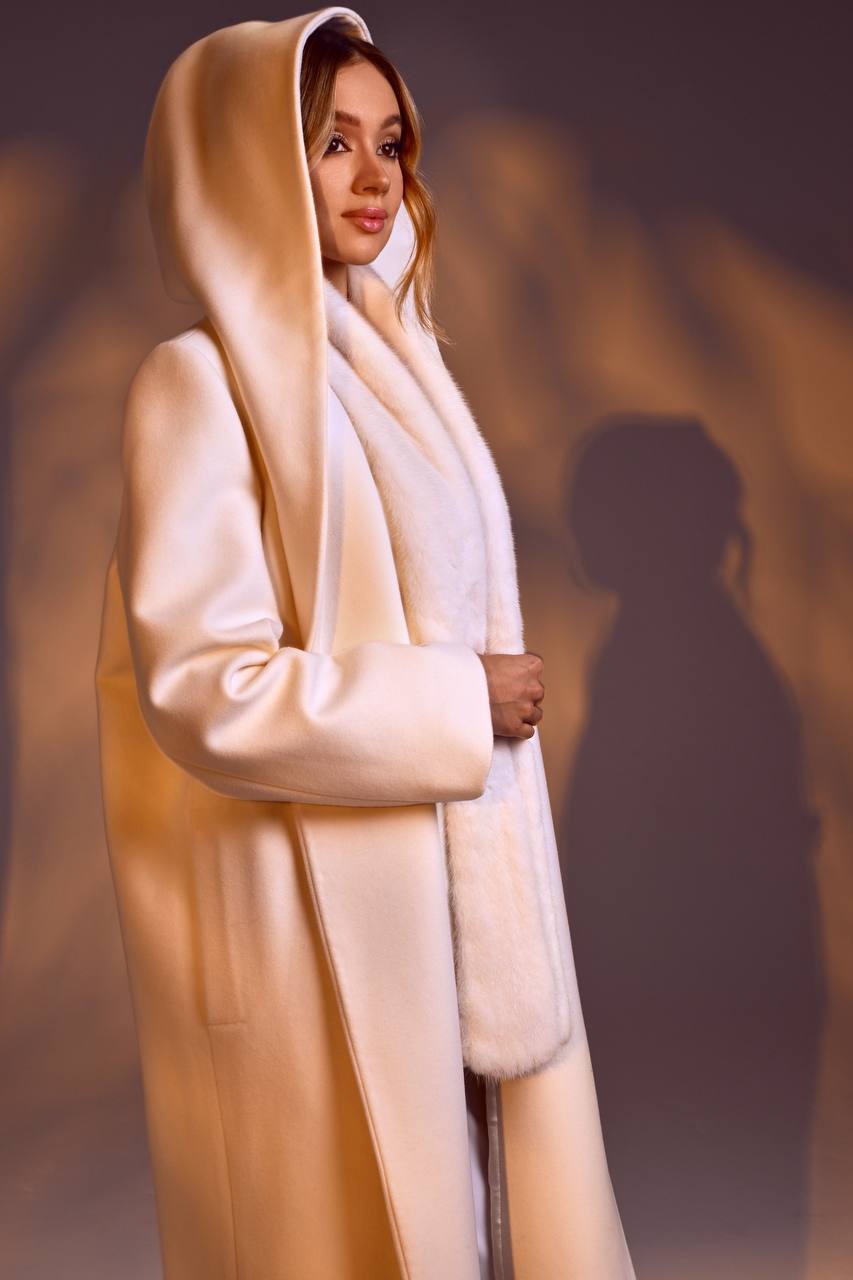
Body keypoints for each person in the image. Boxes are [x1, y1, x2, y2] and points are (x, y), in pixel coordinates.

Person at [94, 8, 636, 1279]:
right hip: (317, 914)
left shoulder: (399, 364)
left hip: (458, 886)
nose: (375, 175)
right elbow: (205, 688)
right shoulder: (200, 381)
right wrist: (457, 706)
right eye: (331, 141)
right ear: (248, 158)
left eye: (390, 142)